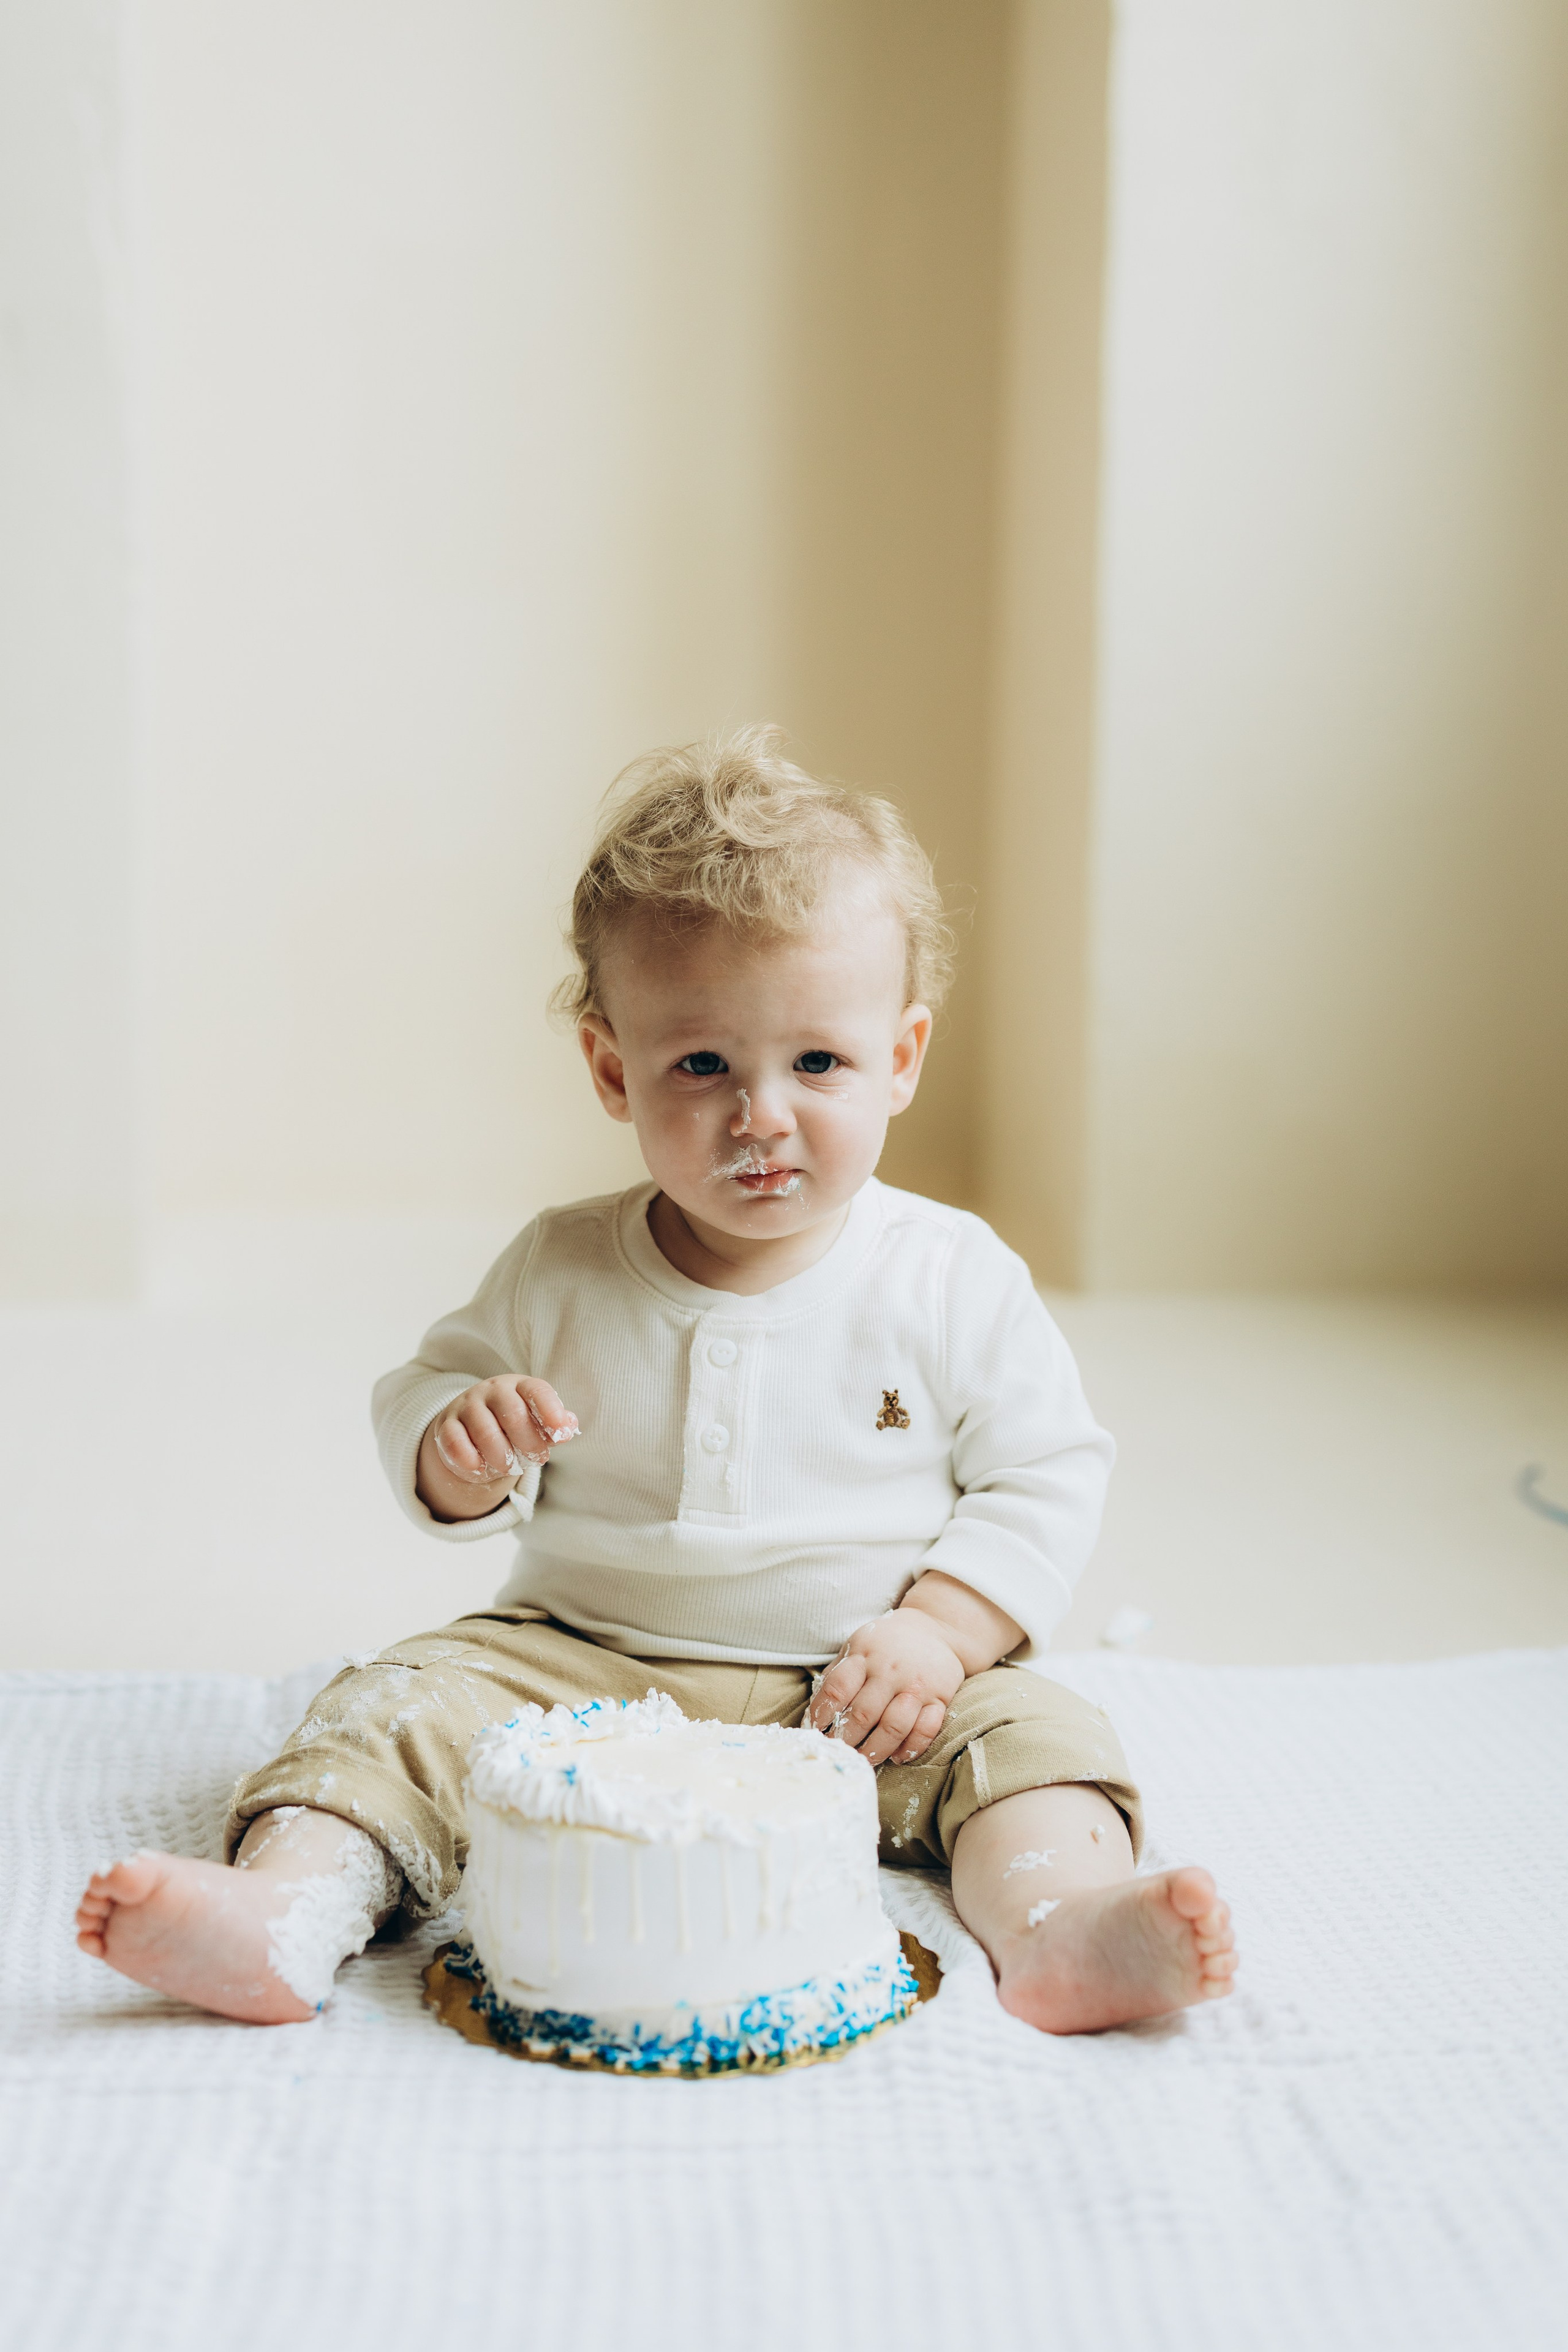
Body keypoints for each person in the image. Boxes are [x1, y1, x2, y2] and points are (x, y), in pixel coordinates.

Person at [75, 728, 1237, 2032]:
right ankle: (285, 1912)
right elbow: (425, 1386)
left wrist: (942, 1632)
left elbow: (1045, 1469)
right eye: (701, 1066)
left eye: (816, 1063)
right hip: (577, 1663)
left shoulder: (949, 1275)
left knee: (1038, 1744)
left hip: (862, 1684)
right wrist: (456, 1450)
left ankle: (1056, 1927)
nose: (760, 1115)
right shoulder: (559, 1265)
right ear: (610, 1068)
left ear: (900, 1057)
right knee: (392, 1708)